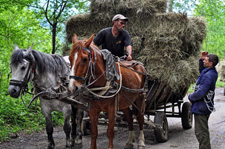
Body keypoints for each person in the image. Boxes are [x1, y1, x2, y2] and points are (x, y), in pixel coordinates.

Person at [188, 51, 219, 149]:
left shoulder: (208, 76)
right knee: (202, 131)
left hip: (201, 106)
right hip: (204, 106)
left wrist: (190, 97)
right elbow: (202, 71)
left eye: (205, 60)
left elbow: (201, 93)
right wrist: (201, 60)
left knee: (201, 133)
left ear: (210, 64)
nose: (204, 60)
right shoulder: (210, 71)